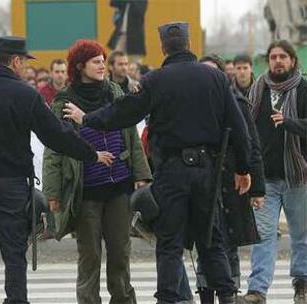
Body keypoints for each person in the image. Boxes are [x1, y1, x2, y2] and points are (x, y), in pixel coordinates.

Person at [63, 22, 252, 304]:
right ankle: (226, 296)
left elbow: (123, 113)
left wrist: (87, 119)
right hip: (207, 170)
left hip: (172, 172)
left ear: (164, 47)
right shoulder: (215, 78)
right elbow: (238, 126)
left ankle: (167, 299)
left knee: (170, 243)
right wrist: (243, 168)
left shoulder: (156, 80)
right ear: (188, 44)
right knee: (211, 241)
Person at [0, 36, 113, 304]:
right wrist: (90, 154)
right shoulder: (25, 94)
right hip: (12, 186)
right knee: (14, 252)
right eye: (24, 62)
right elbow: (56, 135)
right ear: (16, 61)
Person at [43, 39, 151, 304]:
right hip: (86, 189)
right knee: (90, 253)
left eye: (103, 60)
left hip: (119, 187)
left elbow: (131, 137)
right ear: (80, 66)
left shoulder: (114, 91)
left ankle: (124, 299)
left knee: (120, 252)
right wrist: (53, 192)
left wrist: (140, 173)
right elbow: (54, 148)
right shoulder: (65, 101)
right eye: (96, 61)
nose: (103, 64)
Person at [241, 40, 307, 304]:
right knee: (264, 235)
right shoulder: (258, 89)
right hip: (265, 179)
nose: (278, 61)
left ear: (292, 60)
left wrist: (289, 122)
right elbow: (246, 129)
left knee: (301, 235)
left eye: (283, 56)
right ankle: (257, 290)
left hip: (298, 177)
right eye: (273, 57)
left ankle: (302, 285)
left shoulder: (303, 88)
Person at [196, 55, 266, 304]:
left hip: (232, 182)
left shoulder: (237, 102)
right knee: (204, 240)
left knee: (229, 242)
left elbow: (251, 146)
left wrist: (257, 188)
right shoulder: (190, 105)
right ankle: (205, 292)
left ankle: (230, 293)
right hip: (200, 182)